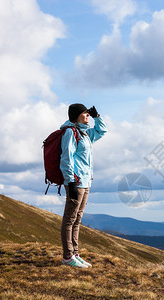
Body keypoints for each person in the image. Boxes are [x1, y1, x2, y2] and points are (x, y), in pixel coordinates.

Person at [60, 103, 107, 268]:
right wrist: (70, 181)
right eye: (85, 113)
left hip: (86, 182)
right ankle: (67, 257)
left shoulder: (86, 133)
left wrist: (97, 117)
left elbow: (102, 131)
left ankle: (75, 254)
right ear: (76, 116)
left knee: (77, 219)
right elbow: (66, 158)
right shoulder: (70, 132)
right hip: (76, 182)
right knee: (69, 219)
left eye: (88, 113)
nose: (88, 115)